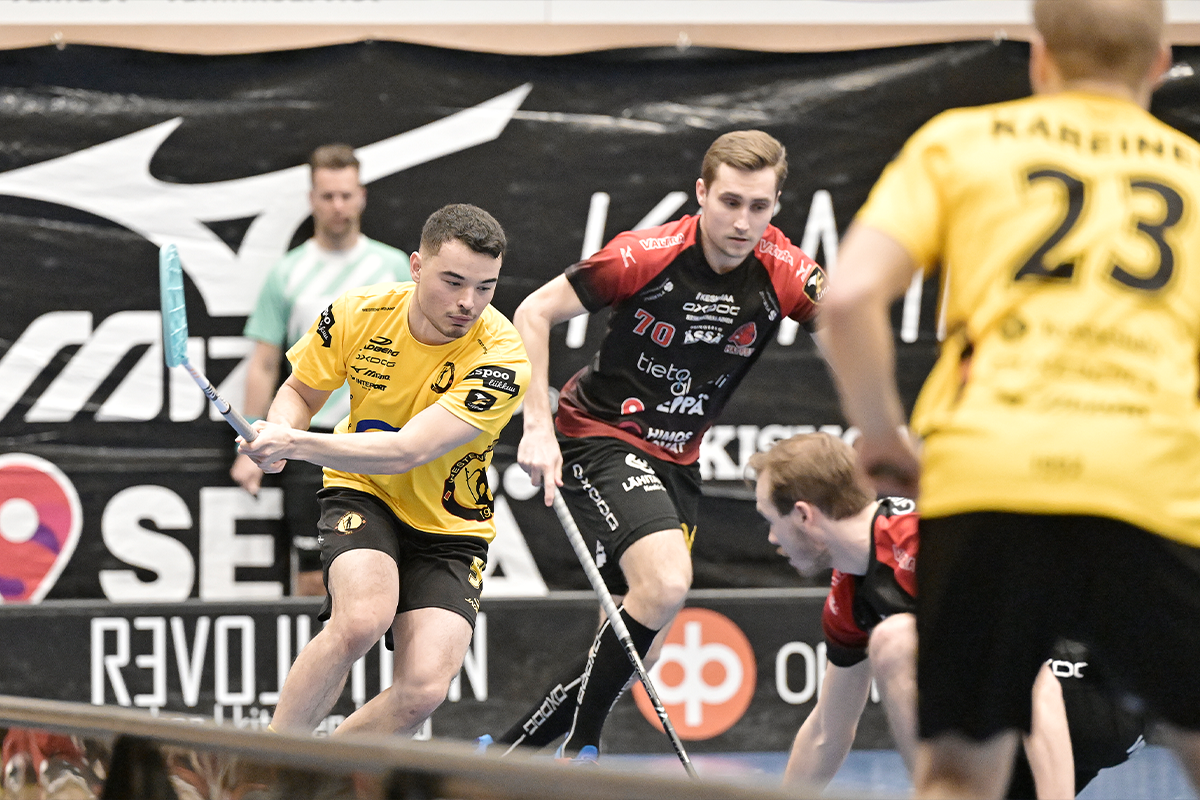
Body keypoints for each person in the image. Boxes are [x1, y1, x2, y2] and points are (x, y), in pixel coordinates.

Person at [818, 1, 1200, 796]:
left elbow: (848, 299)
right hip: (1150, 481)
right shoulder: (1192, 171)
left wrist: (881, 436)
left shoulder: (963, 144)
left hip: (990, 479)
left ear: (1039, 57)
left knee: (962, 770)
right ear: (1160, 64)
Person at [493, 130, 826, 758]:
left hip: (679, 460)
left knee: (633, 643)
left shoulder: (787, 271)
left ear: (777, 206)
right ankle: (582, 750)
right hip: (599, 435)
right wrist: (536, 425)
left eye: (759, 206)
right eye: (729, 202)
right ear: (701, 193)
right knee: (668, 583)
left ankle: (508, 757)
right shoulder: (643, 255)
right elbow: (532, 312)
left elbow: (848, 334)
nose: (742, 221)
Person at [237, 203, 528, 737]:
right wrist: (278, 429)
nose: (468, 302)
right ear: (416, 266)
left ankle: (321, 773)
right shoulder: (357, 314)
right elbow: (300, 391)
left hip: (450, 526)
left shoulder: (503, 359)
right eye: (453, 282)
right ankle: (267, 764)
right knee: (361, 620)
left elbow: (407, 450)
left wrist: (294, 442)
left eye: (485, 287)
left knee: (424, 689)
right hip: (363, 491)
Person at [749, 432, 1144, 799]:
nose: (771, 538)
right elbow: (826, 732)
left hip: (1095, 693)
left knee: (896, 640)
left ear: (804, 515)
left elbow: (1037, 684)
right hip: (1020, 725)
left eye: (770, 521)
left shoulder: (928, 548)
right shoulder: (850, 592)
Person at [232, 143, 410, 596]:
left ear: (362, 197)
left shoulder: (393, 267)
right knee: (314, 576)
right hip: (308, 441)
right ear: (312, 199)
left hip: (379, 441)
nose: (338, 206)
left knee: (387, 571)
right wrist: (251, 438)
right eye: (328, 196)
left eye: (346, 195)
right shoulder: (286, 273)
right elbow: (265, 364)